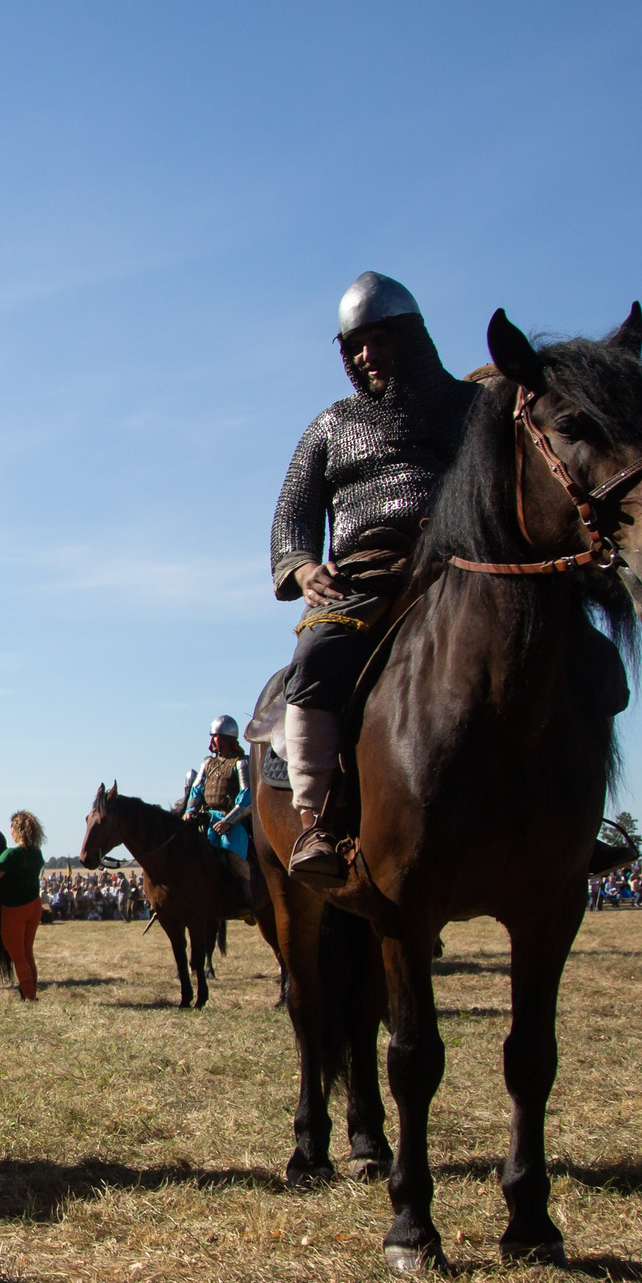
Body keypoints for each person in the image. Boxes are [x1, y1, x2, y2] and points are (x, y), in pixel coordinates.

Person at [269, 272, 482, 885]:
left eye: (380, 340)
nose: (367, 356)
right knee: (315, 657)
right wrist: (303, 565)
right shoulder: (332, 425)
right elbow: (292, 514)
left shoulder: (469, 409)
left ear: (412, 338)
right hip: (360, 577)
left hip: (457, 564)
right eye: (354, 346)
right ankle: (318, 820)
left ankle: (575, 816)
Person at [181, 715, 259, 903]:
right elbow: (196, 790)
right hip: (206, 817)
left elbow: (247, 796)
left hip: (232, 820)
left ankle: (245, 898)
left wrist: (228, 821)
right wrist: (190, 810)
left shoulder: (241, 763)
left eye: (214, 736)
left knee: (232, 853)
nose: (211, 741)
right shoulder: (207, 763)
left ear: (225, 739)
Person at [0, 812, 47, 1001]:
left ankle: (29, 996)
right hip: (34, 905)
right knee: (27, 950)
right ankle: (32, 991)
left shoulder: (11, 854)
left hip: (15, 908)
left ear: (17, 830)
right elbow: (12, 863)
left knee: (16, 953)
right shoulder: (36, 853)